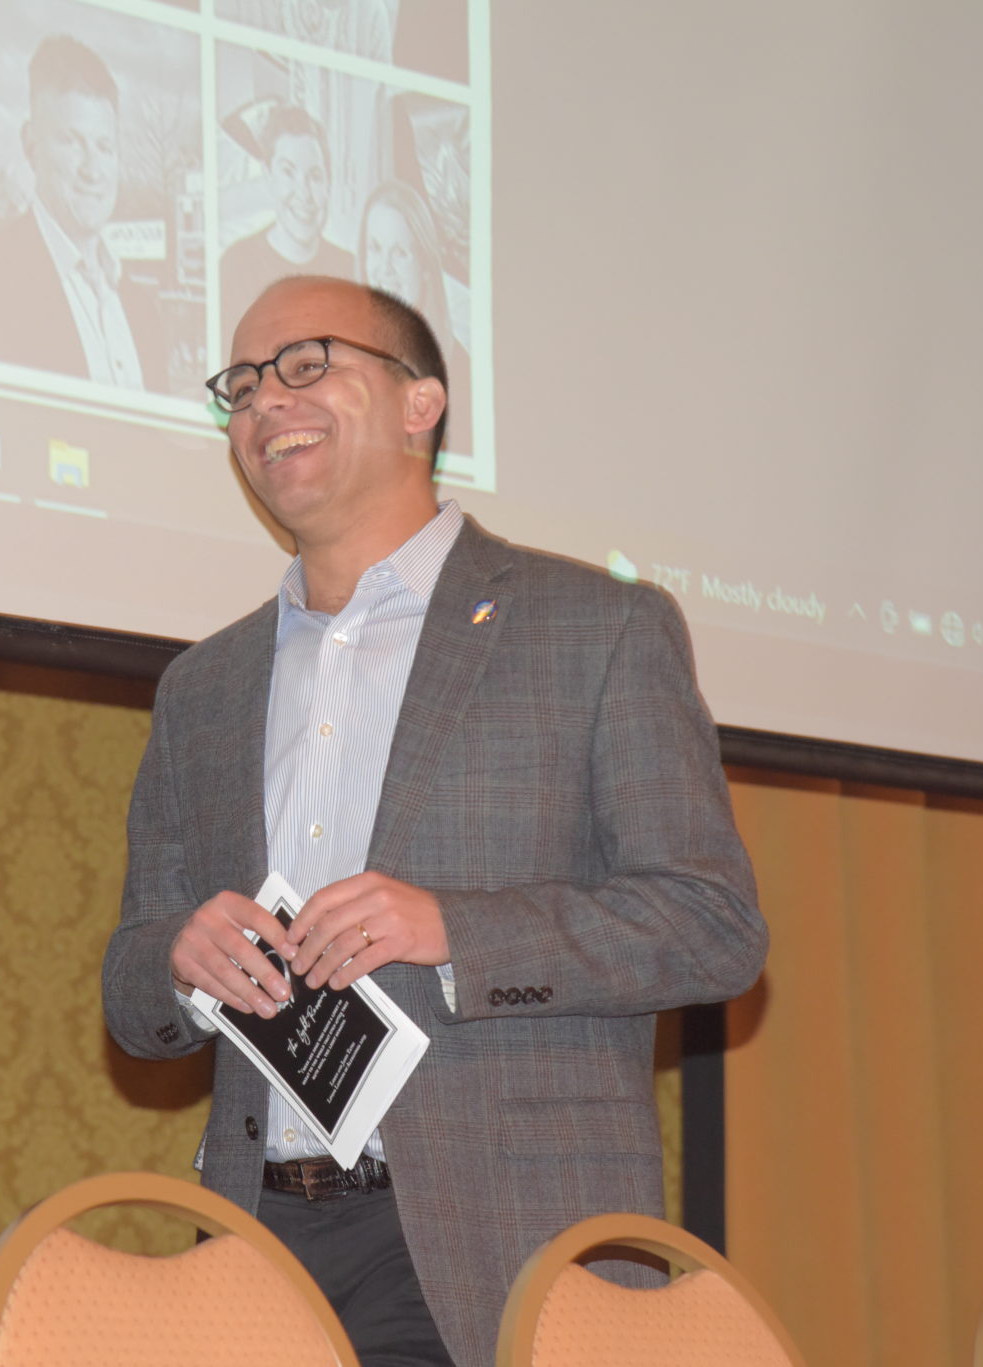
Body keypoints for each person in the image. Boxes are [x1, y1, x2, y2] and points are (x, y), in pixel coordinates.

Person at [101, 275, 765, 1367]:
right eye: (242, 385)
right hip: (258, 1235)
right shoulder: (203, 686)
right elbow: (131, 983)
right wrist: (178, 958)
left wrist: (452, 926)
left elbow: (710, 921)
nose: (266, 401)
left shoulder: (593, 629)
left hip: (491, 1233)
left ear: (421, 404)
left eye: (305, 365)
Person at [0, 34, 163, 388]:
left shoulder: (142, 310)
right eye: (72, 142)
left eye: (104, 147)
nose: (92, 169)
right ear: (30, 145)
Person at [219, 105, 356, 336]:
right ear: (268, 177)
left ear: (328, 185)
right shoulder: (235, 267)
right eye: (288, 173)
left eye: (314, 176)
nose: (303, 193)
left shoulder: (352, 271)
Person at [357, 180, 471, 452]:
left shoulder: (459, 368)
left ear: (425, 267)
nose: (384, 268)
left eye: (399, 253)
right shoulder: (333, 362)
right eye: (374, 249)